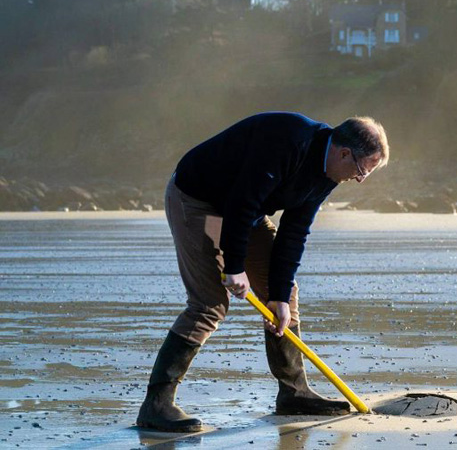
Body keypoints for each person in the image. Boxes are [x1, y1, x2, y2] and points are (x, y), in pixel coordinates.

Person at [136, 112, 389, 432]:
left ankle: (294, 393)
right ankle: (156, 405)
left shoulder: (328, 172)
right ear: (343, 153)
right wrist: (234, 267)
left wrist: (279, 297)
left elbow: (295, 231)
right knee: (208, 304)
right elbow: (242, 201)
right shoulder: (289, 142)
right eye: (362, 170)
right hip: (196, 199)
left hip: (247, 213)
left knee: (282, 296)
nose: (360, 179)